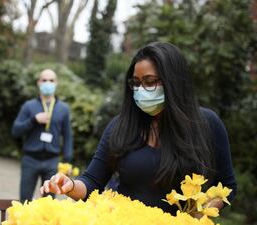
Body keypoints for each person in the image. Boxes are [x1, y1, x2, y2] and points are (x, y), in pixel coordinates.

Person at [40, 42, 237, 216]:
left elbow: (227, 186)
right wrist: (70, 185)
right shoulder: (120, 126)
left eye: (150, 82)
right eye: (135, 83)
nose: (140, 90)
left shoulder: (207, 124)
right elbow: (92, 181)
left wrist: (199, 214)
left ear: (173, 82)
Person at [12, 69, 73, 203]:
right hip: (30, 160)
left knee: (48, 204)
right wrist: (34, 120)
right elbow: (15, 131)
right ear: (39, 83)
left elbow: (68, 137)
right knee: (24, 202)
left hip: (52, 162)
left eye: (51, 80)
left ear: (56, 83)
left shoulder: (63, 109)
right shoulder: (28, 106)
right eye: (44, 80)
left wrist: (67, 162)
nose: (47, 83)